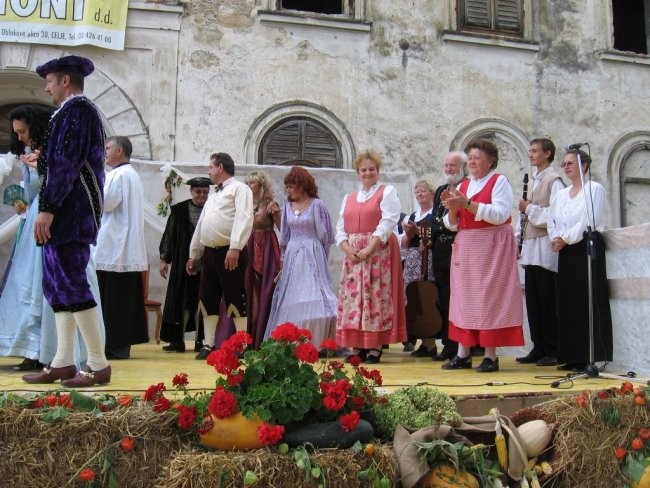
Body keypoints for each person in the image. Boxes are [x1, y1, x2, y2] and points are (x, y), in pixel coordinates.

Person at [23, 55, 111, 387]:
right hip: (65, 210)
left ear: (64, 81)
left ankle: (98, 364)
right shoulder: (69, 112)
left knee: (72, 281)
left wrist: (48, 207)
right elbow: (57, 162)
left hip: (71, 212)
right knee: (57, 284)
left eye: (49, 81)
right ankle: (62, 361)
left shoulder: (78, 111)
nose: (46, 87)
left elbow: (66, 163)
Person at [440, 138, 524, 373]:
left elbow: (500, 214)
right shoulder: (464, 185)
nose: (473, 162)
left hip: (492, 246)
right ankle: (463, 353)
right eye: (471, 158)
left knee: (490, 299)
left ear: (491, 161)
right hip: (467, 247)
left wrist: (467, 204)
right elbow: (451, 225)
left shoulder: (499, 181)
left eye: (478, 158)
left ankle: (490, 355)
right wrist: (453, 209)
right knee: (464, 300)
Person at [335, 150, 407, 363]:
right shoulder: (349, 198)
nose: (368, 173)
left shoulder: (387, 191)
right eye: (363, 170)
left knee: (375, 297)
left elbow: (388, 221)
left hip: (378, 253)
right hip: (354, 256)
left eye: (371, 169)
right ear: (358, 173)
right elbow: (340, 228)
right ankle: (357, 346)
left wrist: (370, 248)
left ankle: (375, 347)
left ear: (378, 171)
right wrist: (348, 249)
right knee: (353, 299)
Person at [548, 149, 612, 371]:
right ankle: (571, 355)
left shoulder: (594, 189)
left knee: (586, 300)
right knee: (567, 301)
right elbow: (552, 219)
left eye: (570, 163)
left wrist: (566, 238)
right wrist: (555, 238)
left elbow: (589, 220)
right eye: (564, 164)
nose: (565, 167)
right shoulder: (562, 194)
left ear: (584, 165)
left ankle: (588, 356)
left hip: (585, 247)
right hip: (565, 250)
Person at [187, 152, 253, 360]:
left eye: (211, 167)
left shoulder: (240, 189)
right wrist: (194, 253)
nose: (209, 171)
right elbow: (202, 225)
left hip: (230, 251)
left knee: (235, 295)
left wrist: (235, 247)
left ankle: (242, 345)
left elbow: (244, 218)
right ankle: (208, 344)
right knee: (208, 297)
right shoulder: (214, 195)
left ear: (220, 167)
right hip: (210, 253)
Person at [263, 166, 337, 350]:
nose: (287, 189)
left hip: (313, 252)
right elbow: (285, 236)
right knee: (293, 295)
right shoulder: (287, 207)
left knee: (316, 294)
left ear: (302, 185)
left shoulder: (317, 205)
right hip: (293, 255)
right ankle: (293, 342)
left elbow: (327, 236)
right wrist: (283, 259)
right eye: (286, 186)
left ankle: (319, 342)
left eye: (291, 185)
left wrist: (321, 256)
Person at [93, 136, 149, 359]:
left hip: (116, 245)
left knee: (114, 299)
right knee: (119, 298)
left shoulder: (119, 174)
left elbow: (106, 202)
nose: (104, 151)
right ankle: (117, 344)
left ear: (119, 151)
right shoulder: (130, 174)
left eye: (107, 148)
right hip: (121, 244)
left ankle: (114, 345)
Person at [516, 138, 565, 367]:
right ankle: (538, 346)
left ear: (547, 153)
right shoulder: (535, 180)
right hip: (531, 247)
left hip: (545, 247)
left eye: (535, 151)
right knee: (534, 301)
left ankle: (553, 348)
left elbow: (554, 215)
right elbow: (525, 218)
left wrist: (529, 208)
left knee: (547, 299)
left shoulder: (554, 181)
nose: (531, 154)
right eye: (530, 151)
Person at [158, 177, 212, 352]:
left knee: (201, 300)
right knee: (180, 300)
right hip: (182, 262)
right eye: (198, 192)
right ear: (191, 192)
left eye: (205, 192)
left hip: (206, 264)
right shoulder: (179, 210)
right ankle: (177, 340)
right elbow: (169, 235)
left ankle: (200, 340)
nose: (202, 195)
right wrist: (164, 259)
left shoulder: (213, 209)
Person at [429, 151, 468, 362]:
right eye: (446, 165)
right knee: (443, 297)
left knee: (458, 298)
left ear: (463, 167)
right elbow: (435, 217)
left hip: (459, 247)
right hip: (440, 250)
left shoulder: (467, 189)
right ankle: (447, 342)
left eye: (453, 166)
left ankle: (459, 345)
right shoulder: (441, 190)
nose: (448, 169)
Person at [244, 170, 282, 349]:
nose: (250, 186)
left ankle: (262, 337)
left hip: (266, 247)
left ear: (261, 185)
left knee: (264, 289)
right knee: (248, 290)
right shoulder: (243, 204)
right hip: (248, 246)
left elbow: (284, 228)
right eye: (248, 182)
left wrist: (277, 213)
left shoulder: (269, 204)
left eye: (253, 183)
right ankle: (247, 338)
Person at [399, 179, 436, 357]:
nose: (420, 194)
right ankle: (423, 341)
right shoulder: (412, 216)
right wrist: (408, 233)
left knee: (426, 296)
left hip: (427, 258)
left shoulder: (435, 213)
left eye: (423, 191)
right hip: (413, 258)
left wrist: (419, 232)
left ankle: (430, 343)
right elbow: (405, 244)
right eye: (417, 191)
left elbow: (434, 235)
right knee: (413, 298)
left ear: (431, 193)